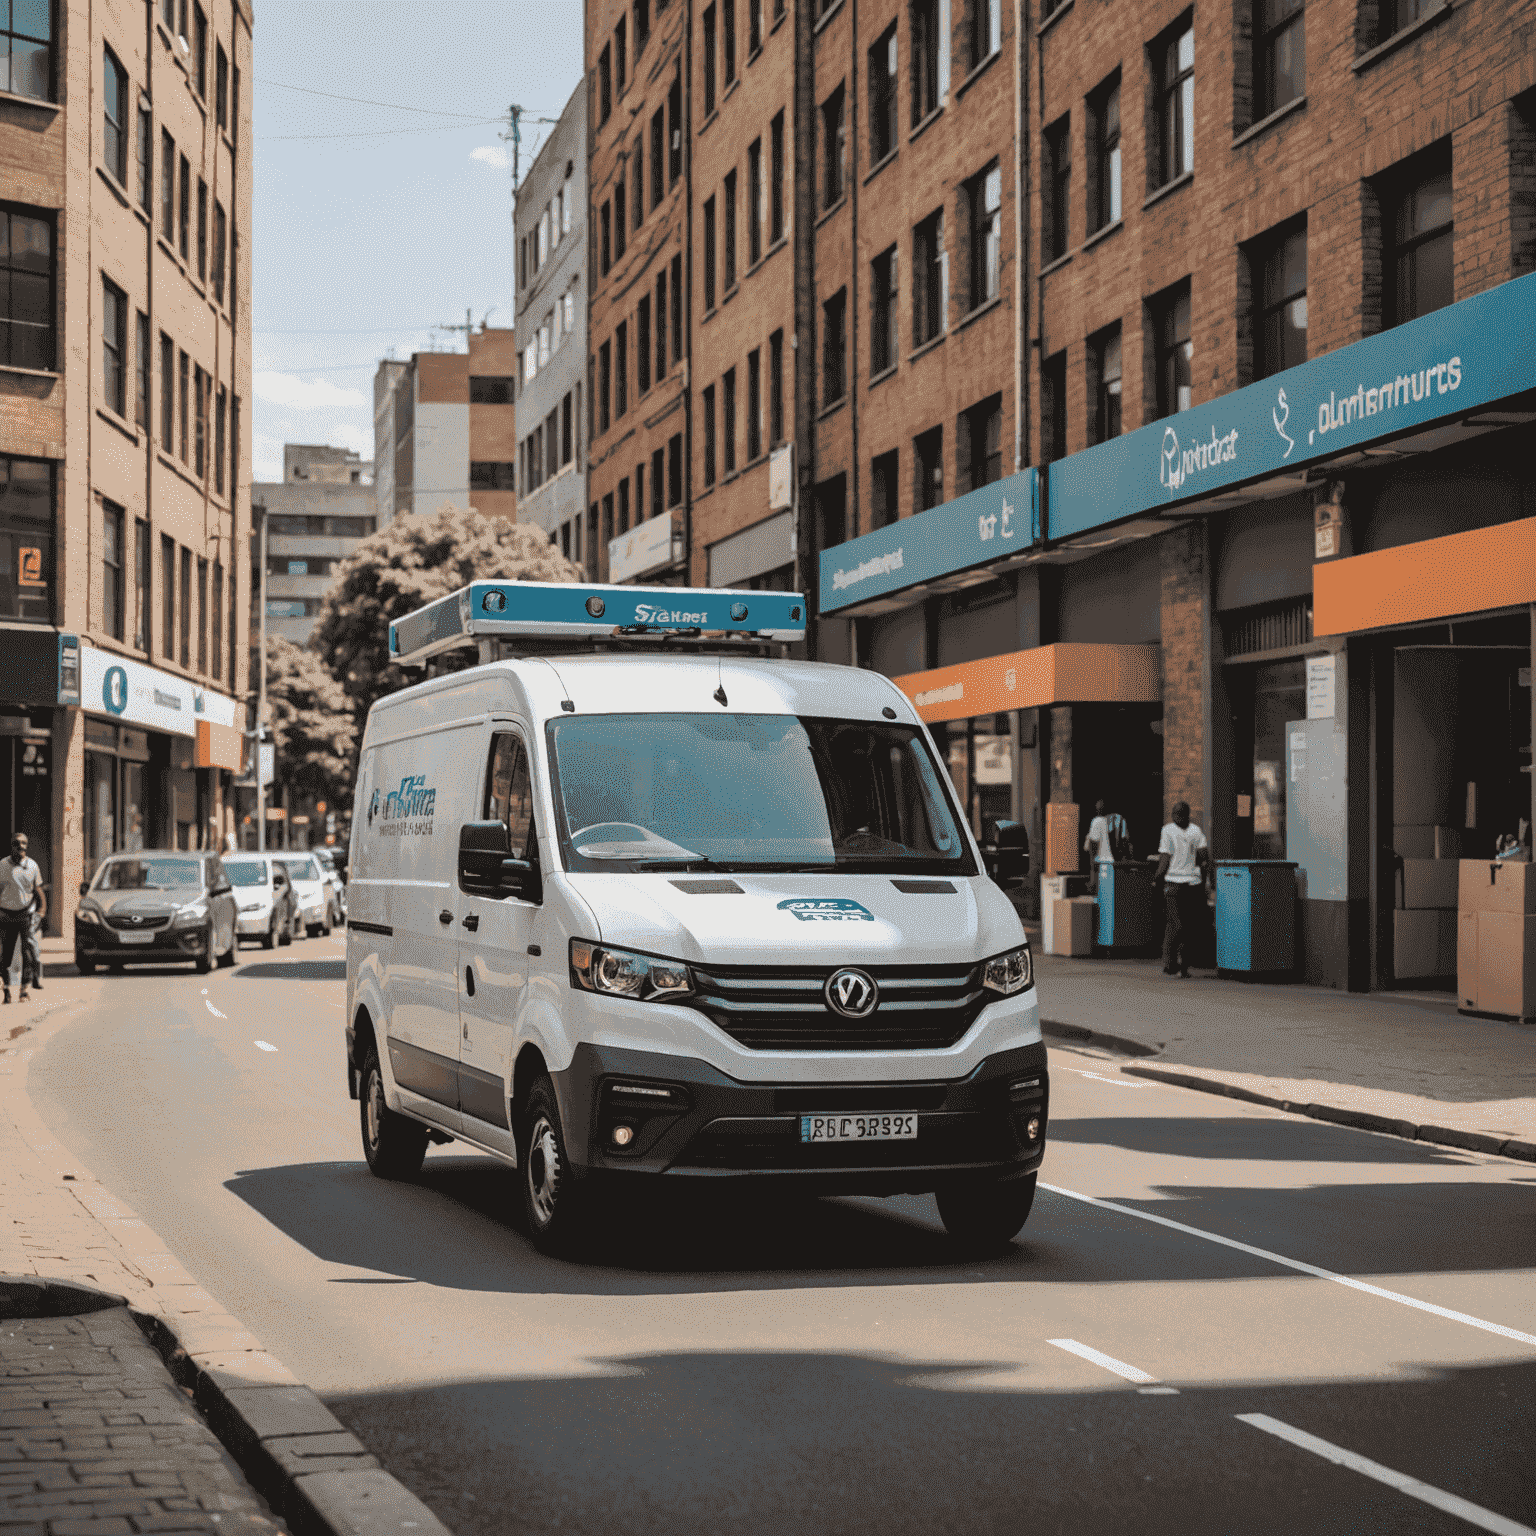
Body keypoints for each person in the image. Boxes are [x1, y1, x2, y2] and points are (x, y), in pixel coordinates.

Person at [1155, 801, 1208, 978]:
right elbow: (1204, 858)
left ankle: (1170, 964)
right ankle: (1181, 965)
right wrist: (1205, 881)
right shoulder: (1196, 831)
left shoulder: (1168, 830)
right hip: (1193, 884)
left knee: (1175, 924)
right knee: (1186, 925)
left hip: (1175, 884)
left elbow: (1165, 857)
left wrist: (1157, 878)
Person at [1, 833, 44, 1004]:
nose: (21, 846)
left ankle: (24, 990)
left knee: (28, 952)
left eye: (24, 843)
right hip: (5, 914)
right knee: (6, 954)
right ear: (11, 846)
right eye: (17, 843)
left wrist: (41, 911)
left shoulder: (32, 866)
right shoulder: (2, 866)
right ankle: (6, 989)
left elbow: (38, 891)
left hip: (25, 914)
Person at [1083, 799, 1130, 894]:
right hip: (1114, 866)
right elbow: (1126, 842)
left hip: (1102, 866)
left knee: (1102, 899)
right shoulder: (1119, 819)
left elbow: (1093, 847)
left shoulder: (1097, 821)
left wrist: (1092, 878)